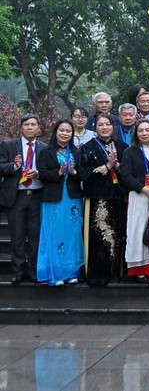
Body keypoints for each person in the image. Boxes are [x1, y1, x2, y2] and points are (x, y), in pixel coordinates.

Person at [79, 113, 128, 286]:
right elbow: (84, 175)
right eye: (100, 124)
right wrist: (107, 166)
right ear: (95, 127)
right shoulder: (87, 147)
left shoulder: (122, 147)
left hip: (118, 197)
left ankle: (116, 272)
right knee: (98, 237)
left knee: (118, 235)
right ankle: (97, 275)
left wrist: (118, 167)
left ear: (113, 127)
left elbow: (129, 173)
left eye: (107, 124)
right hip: (97, 198)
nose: (104, 127)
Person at [0, 115, 47, 284]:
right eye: (26, 125)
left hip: (37, 195)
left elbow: (50, 169)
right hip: (16, 196)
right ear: (21, 128)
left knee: (35, 236)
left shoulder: (44, 148)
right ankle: (19, 270)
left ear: (38, 128)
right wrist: (14, 166)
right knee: (17, 235)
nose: (30, 128)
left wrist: (39, 174)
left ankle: (33, 270)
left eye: (33, 124)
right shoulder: (8, 145)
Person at [36, 119, 83, 286]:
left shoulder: (77, 152)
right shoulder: (46, 152)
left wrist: (73, 171)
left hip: (72, 199)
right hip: (52, 199)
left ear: (72, 134)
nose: (65, 133)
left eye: (68, 131)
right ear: (56, 131)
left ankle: (71, 272)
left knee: (72, 235)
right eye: (61, 130)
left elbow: (82, 175)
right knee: (52, 234)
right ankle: (53, 273)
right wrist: (59, 172)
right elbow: (41, 174)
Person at [120, 119, 149, 282]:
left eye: (148, 130)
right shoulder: (130, 151)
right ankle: (139, 269)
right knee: (137, 231)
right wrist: (145, 190)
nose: (144, 134)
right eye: (141, 131)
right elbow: (126, 175)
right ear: (136, 134)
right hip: (138, 195)